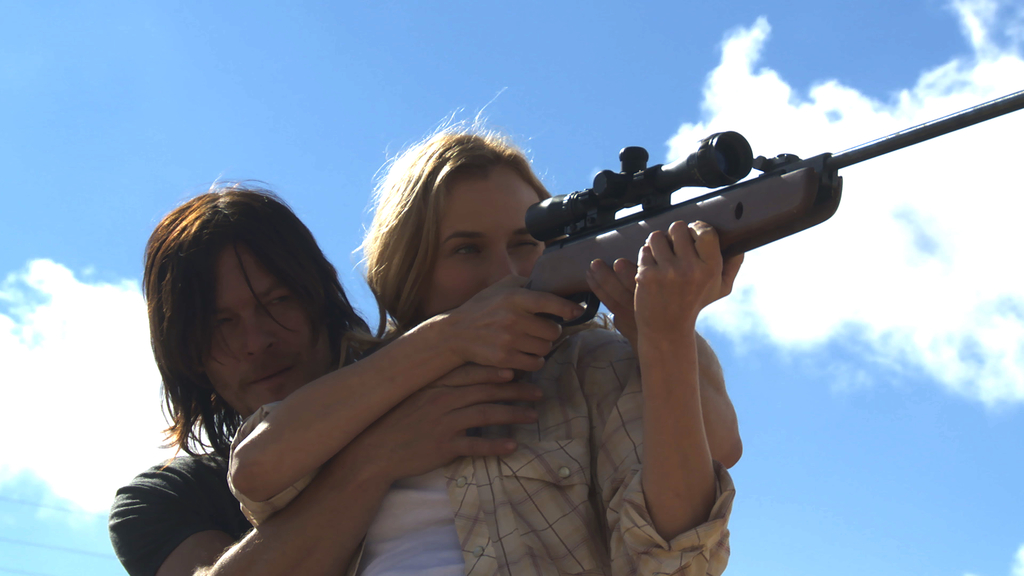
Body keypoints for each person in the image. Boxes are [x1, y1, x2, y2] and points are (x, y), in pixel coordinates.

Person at [227, 128, 743, 575]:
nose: (504, 274)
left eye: (525, 243)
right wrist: (449, 339)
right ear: (409, 267)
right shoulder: (362, 381)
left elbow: (679, 556)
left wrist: (666, 336)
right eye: (466, 249)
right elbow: (256, 470)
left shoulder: (593, 363)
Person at [108, 185, 586, 576]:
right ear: (186, 352)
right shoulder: (167, 499)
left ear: (320, 296)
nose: (256, 341)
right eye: (221, 324)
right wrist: (376, 459)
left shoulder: (447, 383)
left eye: (277, 302)